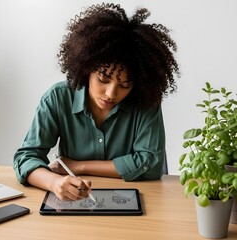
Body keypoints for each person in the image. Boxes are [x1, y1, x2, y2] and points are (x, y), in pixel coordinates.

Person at [13, 3, 179, 201]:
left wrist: (79, 166)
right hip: (73, 203)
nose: (111, 93)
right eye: (103, 79)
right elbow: (26, 158)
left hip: (131, 202)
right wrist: (54, 183)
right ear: (87, 68)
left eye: (125, 85)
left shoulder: (146, 103)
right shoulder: (58, 98)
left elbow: (150, 165)